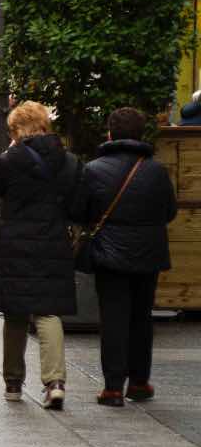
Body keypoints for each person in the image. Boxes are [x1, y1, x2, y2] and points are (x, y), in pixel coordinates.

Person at [0, 102, 80, 409]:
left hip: (16, 243)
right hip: (53, 242)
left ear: (17, 130)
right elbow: (79, 200)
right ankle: (55, 382)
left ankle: (13, 383)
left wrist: (9, 154)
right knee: (48, 312)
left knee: (16, 312)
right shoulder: (69, 159)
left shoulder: (13, 158)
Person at [79, 108, 177, 407]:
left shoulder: (93, 169)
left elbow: (82, 211)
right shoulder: (157, 171)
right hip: (149, 253)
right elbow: (169, 212)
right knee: (141, 318)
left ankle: (112, 388)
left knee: (113, 318)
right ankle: (139, 382)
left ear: (110, 134)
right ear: (140, 134)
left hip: (109, 254)